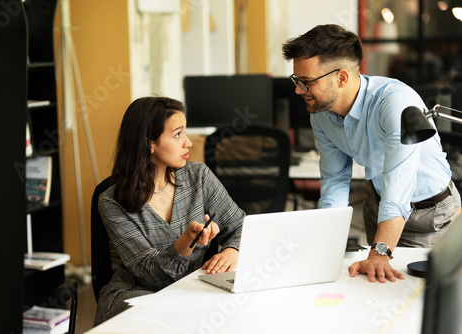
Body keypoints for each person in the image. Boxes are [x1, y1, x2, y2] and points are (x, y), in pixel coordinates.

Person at [282, 24, 461, 283]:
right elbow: (334, 180)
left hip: (430, 215)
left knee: (425, 300)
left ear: (341, 77)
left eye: (307, 82)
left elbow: (398, 189)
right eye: (296, 80)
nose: (299, 90)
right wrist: (327, 243)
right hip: (378, 205)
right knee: (374, 290)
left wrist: (380, 252)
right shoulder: (321, 114)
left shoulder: (396, 102)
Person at [94, 96, 244, 325]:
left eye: (185, 133)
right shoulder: (112, 201)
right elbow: (151, 275)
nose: (188, 143)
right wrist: (186, 241)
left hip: (194, 286)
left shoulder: (198, 177)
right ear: (148, 143)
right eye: (177, 134)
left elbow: (241, 226)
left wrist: (232, 250)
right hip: (138, 295)